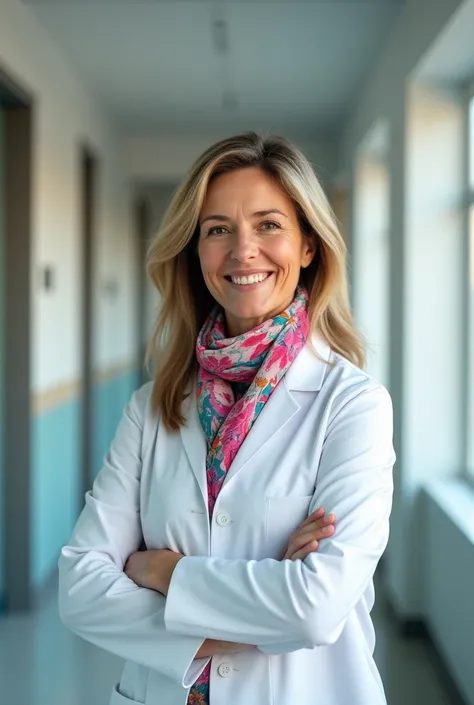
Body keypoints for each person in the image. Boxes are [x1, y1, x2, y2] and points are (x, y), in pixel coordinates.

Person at [58, 132, 395, 705]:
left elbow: (315, 608)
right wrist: (247, 622)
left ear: (309, 245)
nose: (243, 251)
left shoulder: (352, 403)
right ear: (195, 250)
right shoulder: (152, 406)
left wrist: (164, 574)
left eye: (269, 225)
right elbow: (80, 588)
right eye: (218, 229)